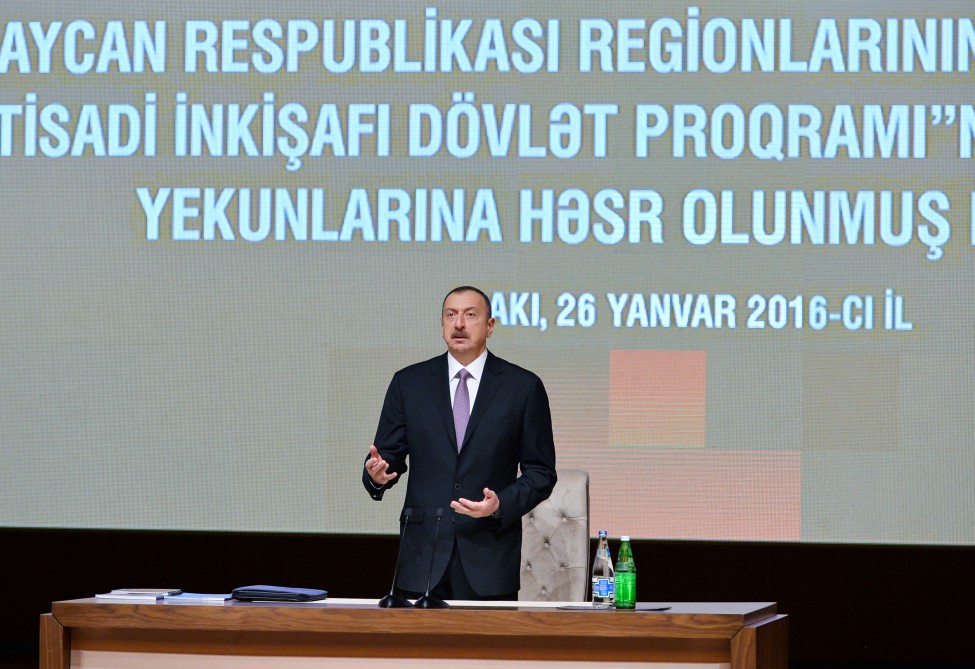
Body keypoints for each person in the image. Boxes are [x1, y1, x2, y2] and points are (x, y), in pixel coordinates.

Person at [362, 286, 557, 601]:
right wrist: (377, 475)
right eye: (451, 315)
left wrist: (500, 504)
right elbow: (388, 457)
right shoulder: (409, 383)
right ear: (442, 325)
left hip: (489, 558)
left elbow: (541, 473)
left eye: (470, 315)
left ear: (490, 326)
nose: (459, 324)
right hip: (421, 558)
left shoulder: (522, 387)